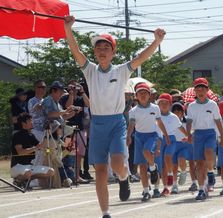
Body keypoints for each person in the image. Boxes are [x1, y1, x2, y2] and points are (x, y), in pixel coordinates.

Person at [64, 15, 166, 218]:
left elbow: (141, 58)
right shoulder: (90, 70)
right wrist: (68, 29)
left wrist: (157, 41)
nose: (102, 51)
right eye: (98, 48)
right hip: (98, 124)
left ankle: (123, 177)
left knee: (118, 163)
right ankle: (105, 213)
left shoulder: (121, 71)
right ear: (94, 52)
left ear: (113, 52)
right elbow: (75, 51)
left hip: (117, 122)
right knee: (101, 171)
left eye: (106, 48)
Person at [186, 78, 223, 200]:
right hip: (197, 134)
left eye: (203, 88)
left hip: (210, 133)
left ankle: (210, 172)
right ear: (195, 91)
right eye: (198, 89)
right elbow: (189, 121)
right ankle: (201, 189)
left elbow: (218, 121)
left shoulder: (213, 104)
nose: (200, 91)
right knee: (199, 163)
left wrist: (222, 137)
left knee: (209, 153)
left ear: (207, 90)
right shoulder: (191, 106)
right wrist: (188, 134)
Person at [126, 83, 169, 202]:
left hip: (152, 136)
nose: (143, 95)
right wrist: (128, 136)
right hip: (139, 136)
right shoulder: (133, 111)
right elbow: (131, 125)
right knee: (142, 167)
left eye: (145, 93)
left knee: (147, 151)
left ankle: (153, 167)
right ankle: (146, 191)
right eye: (140, 93)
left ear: (149, 95)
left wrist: (165, 135)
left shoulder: (155, 108)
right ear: (136, 96)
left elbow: (159, 123)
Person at [10, 113, 54, 188]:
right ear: (24, 123)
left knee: (51, 171)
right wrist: (35, 148)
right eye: (30, 121)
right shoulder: (17, 135)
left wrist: (47, 134)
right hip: (17, 166)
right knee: (28, 173)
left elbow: (40, 146)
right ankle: (18, 180)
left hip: (29, 166)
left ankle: (24, 181)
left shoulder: (31, 135)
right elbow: (20, 152)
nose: (32, 122)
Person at [157, 93, 188, 197]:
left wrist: (189, 136)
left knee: (168, 156)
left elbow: (181, 128)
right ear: (158, 104)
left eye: (166, 103)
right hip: (160, 140)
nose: (164, 105)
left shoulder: (174, 117)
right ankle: (165, 188)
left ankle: (171, 174)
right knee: (162, 167)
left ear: (170, 104)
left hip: (171, 139)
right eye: (162, 102)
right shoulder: (156, 116)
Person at [60, 80, 91, 183]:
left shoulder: (81, 98)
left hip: (80, 128)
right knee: (67, 152)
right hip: (69, 130)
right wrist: (71, 94)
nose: (74, 88)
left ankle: (77, 176)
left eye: (76, 86)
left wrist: (82, 92)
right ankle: (69, 176)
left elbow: (89, 104)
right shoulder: (65, 97)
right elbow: (67, 106)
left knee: (80, 154)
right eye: (72, 86)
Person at [171, 102, 189, 194]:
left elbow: (192, 131)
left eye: (179, 111)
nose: (177, 113)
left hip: (183, 145)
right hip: (173, 145)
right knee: (174, 166)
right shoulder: (170, 122)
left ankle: (183, 171)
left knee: (181, 160)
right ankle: (174, 186)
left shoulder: (186, 123)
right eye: (175, 111)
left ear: (182, 113)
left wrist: (188, 137)